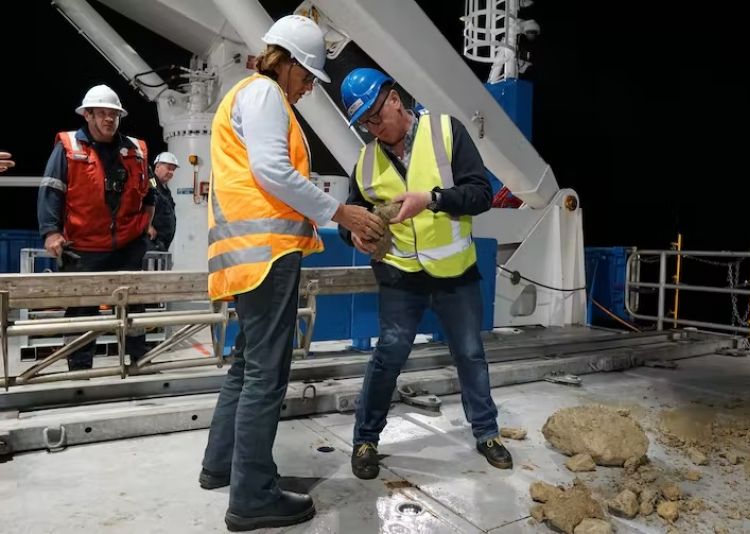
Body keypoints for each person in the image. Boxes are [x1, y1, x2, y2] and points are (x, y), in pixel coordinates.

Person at [198, 15, 383, 531]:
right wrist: (340, 212)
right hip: (266, 255)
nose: (306, 90)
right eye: (306, 78)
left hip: (244, 257)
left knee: (245, 365)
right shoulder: (263, 95)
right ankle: (253, 495)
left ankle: (220, 467)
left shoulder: (248, 95)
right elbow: (272, 172)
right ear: (290, 64)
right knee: (265, 373)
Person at [337, 68, 513, 480]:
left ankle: (487, 433)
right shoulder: (365, 162)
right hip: (400, 276)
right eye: (365, 123)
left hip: (455, 273)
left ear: (395, 98)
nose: (375, 128)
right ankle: (366, 439)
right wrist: (354, 237)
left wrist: (432, 199)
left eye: (378, 116)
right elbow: (352, 215)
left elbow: (481, 194)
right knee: (389, 355)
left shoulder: (446, 133)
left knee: (469, 354)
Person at [37, 84, 155, 371]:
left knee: (134, 307)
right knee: (82, 310)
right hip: (84, 247)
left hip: (127, 246)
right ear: (87, 115)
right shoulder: (68, 147)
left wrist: (143, 226)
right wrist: (51, 232)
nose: (108, 120)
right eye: (101, 113)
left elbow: (150, 194)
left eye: (113, 114)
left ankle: (139, 362)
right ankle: (79, 370)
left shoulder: (136, 149)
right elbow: (52, 190)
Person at [147, 151, 178, 251]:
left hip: (162, 243)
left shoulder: (165, 190)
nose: (171, 172)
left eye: (173, 170)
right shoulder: (150, 184)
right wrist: (148, 226)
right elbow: (139, 205)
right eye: (168, 168)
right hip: (151, 242)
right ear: (157, 167)